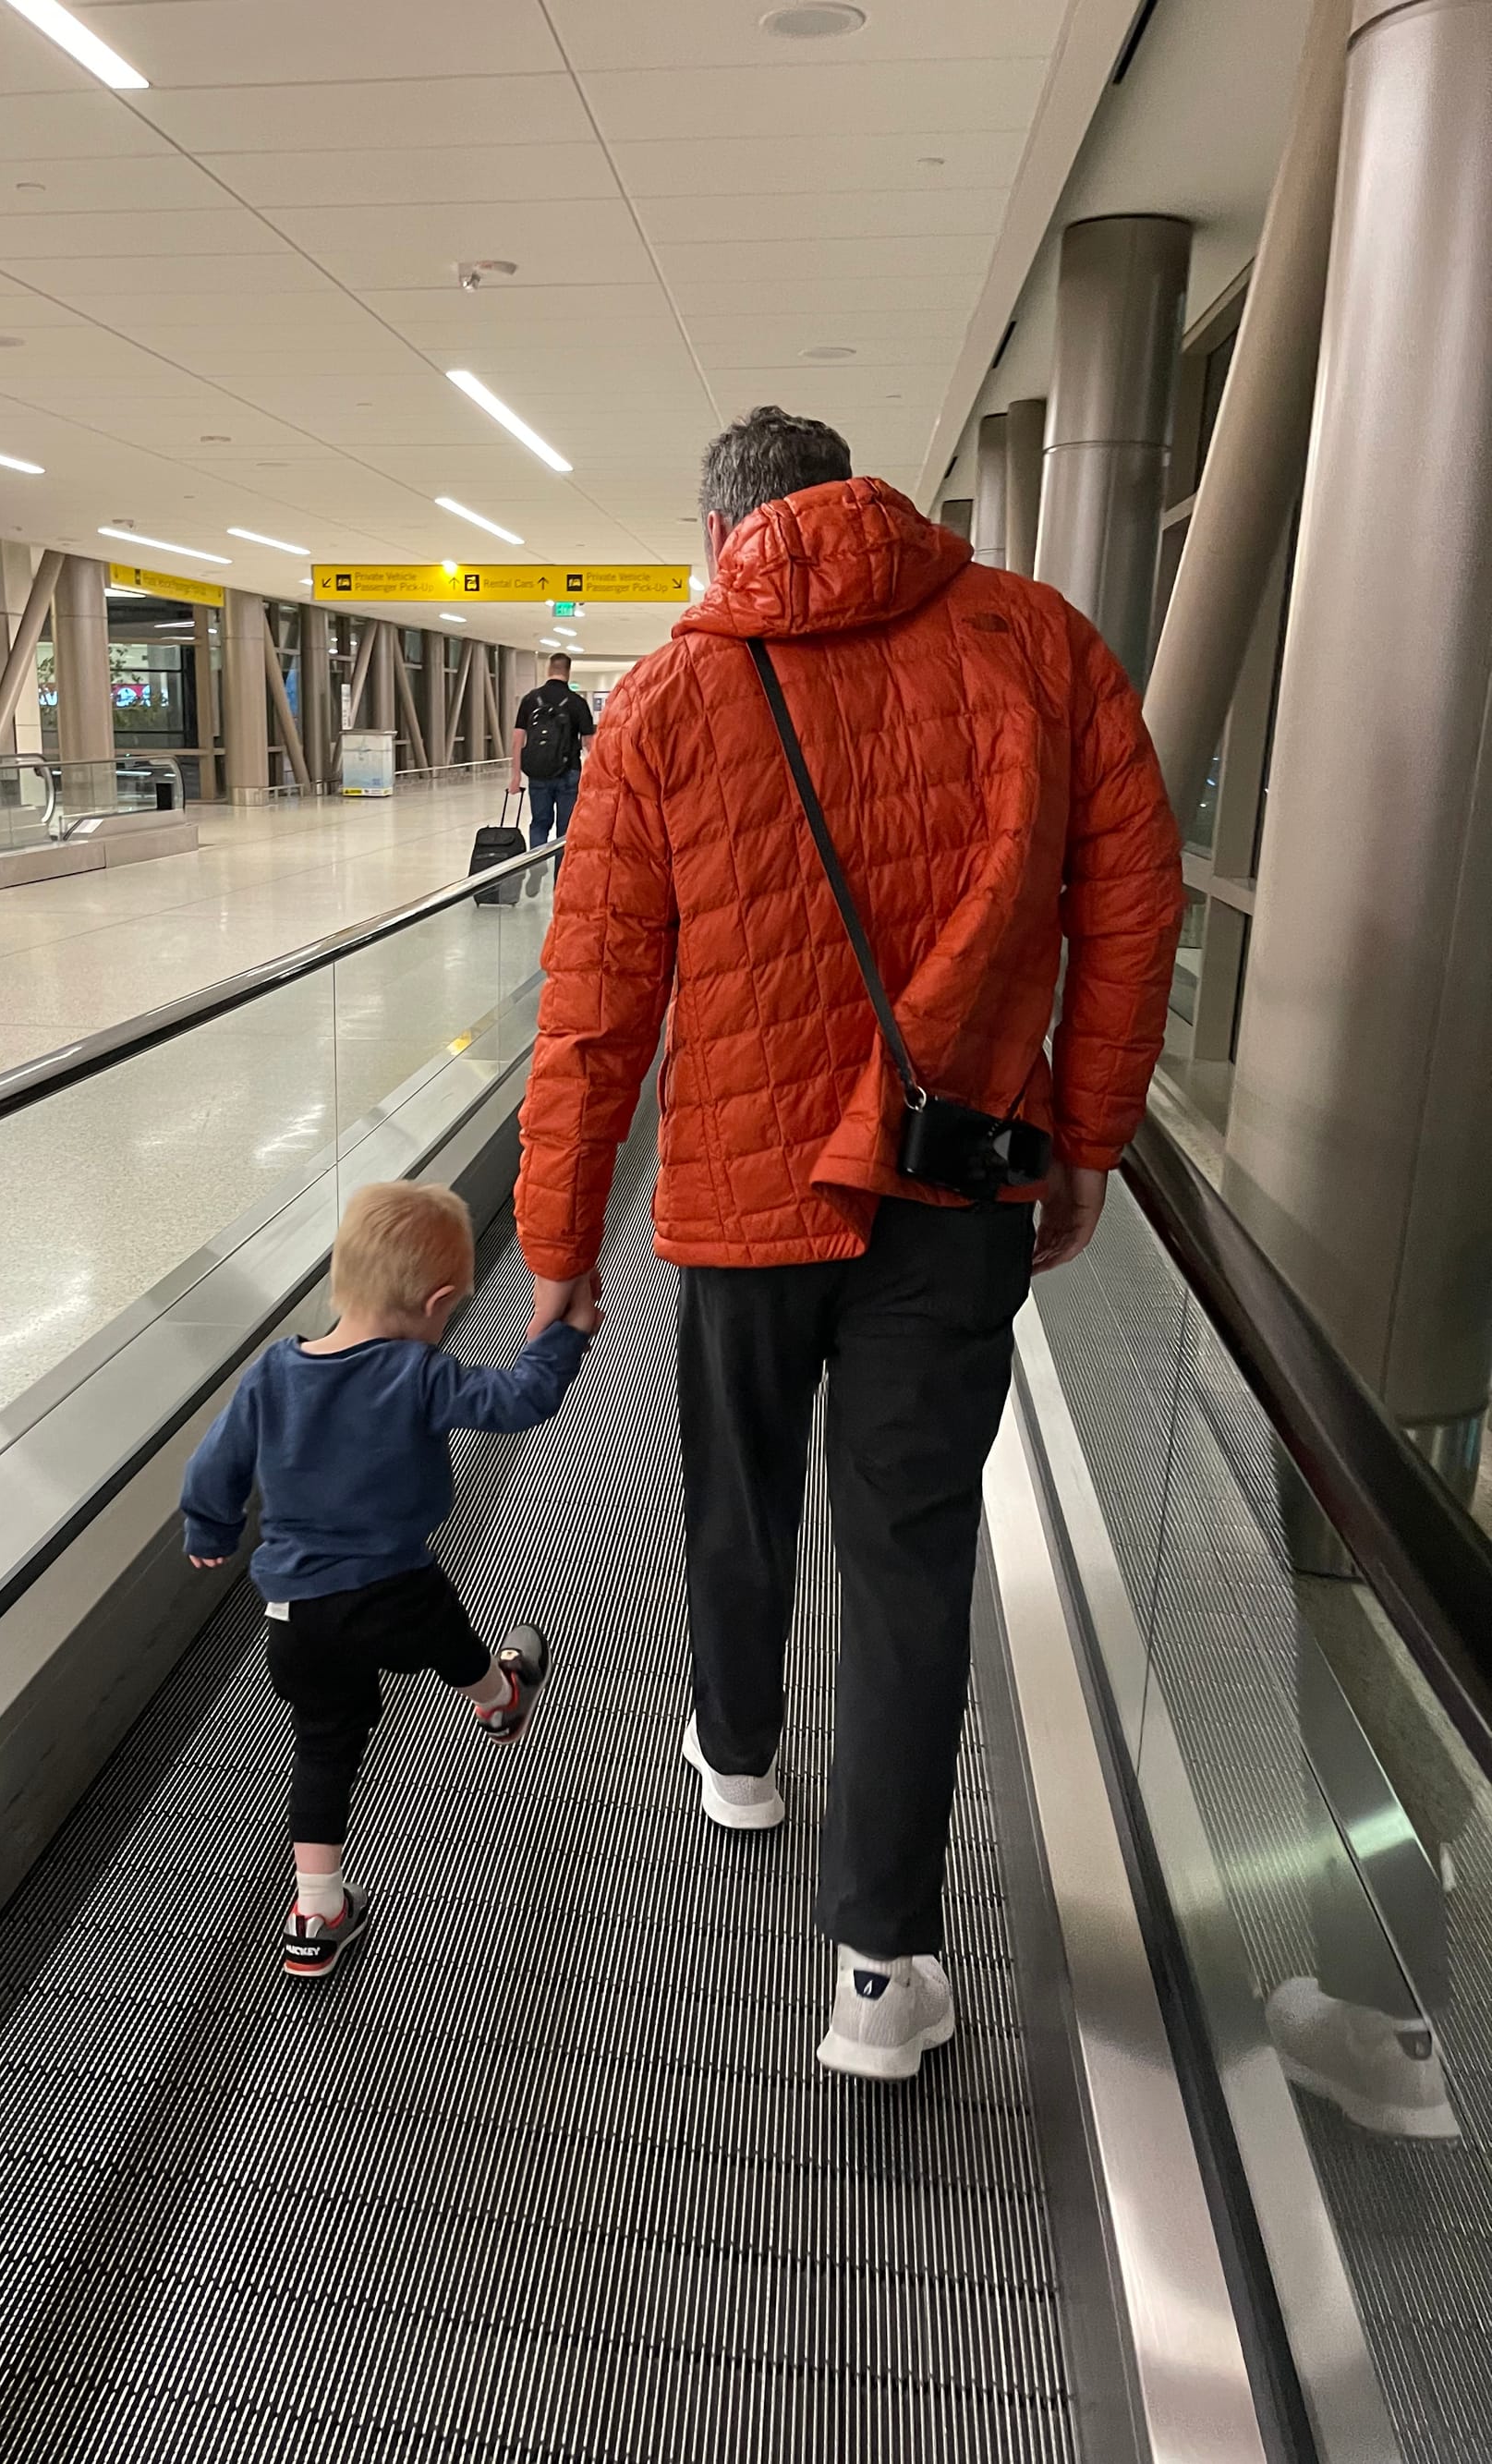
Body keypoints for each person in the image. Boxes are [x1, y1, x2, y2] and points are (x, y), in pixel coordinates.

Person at [515, 405, 1182, 2081]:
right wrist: (1088, 1138)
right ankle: (883, 1968)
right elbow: (1133, 905)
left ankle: (739, 1750)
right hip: (954, 1191)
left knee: (738, 1483)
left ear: (721, 533)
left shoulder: (667, 698)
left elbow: (595, 1005)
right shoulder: (1040, 646)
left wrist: (560, 1231)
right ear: (858, 497)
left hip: (742, 1199)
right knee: (907, 1555)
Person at [182, 1181, 597, 1979]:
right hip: (396, 1591)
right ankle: (498, 1697)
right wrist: (565, 1336)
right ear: (437, 1303)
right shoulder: (417, 1372)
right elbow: (518, 1400)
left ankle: (315, 1911)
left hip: (296, 1613)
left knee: (323, 1743)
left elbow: (215, 1464)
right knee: (450, 1636)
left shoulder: (273, 1373)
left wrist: (210, 1529)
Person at [510, 651, 596, 893]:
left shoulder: (531, 699)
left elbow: (518, 739)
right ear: (568, 672)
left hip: (538, 774)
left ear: (549, 669)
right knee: (565, 830)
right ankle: (560, 883)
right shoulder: (577, 702)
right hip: (569, 774)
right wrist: (597, 777)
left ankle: (537, 865)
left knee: (539, 823)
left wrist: (515, 776)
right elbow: (590, 744)